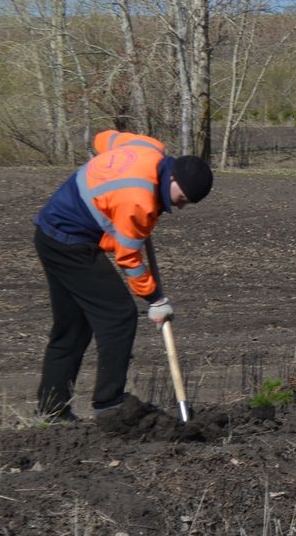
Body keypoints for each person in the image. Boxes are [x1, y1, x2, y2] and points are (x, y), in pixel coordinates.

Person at [32, 130, 214, 422]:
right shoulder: (138, 201)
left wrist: (107, 167)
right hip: (69, 242)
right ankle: (109, 402)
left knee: (73, 327)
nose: (180, 207)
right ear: (172, 179)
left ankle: (51, 411)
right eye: (183, 198)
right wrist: (155, 299)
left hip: (49, 234)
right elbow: (128, 258)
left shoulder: (149, 147)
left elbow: (103, 139)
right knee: (118, 315)